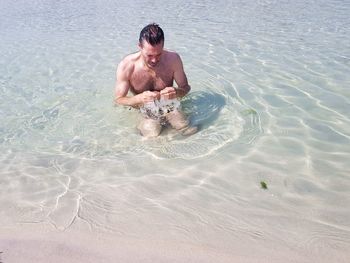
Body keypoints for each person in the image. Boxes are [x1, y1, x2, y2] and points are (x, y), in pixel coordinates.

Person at [114, 23, 197, 137]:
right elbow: (119, 99)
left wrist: (176, 92)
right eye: (149, 55)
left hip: (169, 106)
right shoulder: (127, 65)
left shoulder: (173, 59)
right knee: (151, 132)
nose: (154, 60)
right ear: (140, 46)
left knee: (186, 128)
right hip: (144, 111)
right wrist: (138, 98)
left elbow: (186, 88)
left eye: (158, 54)